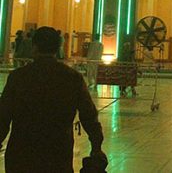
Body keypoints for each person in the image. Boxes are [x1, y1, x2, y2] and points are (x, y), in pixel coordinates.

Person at [0, 26, 106, 172]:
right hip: (58, 153)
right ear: (58, 48)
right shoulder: (72, 78)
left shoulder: (19, 77)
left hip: (21, 154)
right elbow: (89, 116)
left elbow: (3, 116)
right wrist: (96, 146)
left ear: (34, 47)